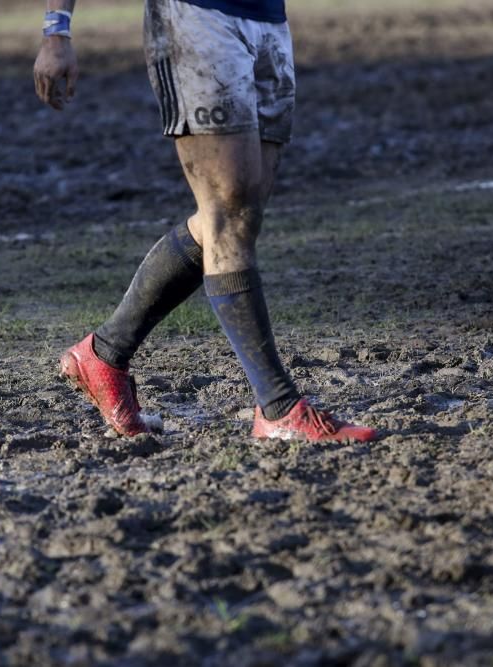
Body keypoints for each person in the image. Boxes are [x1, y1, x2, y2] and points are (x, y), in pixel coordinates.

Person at [32, 0, 378, 443]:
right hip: (195, 18)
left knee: (238, 216)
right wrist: (56, 30)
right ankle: (277, 406)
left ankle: (103, 354)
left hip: (267, 20)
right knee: (228, 216)